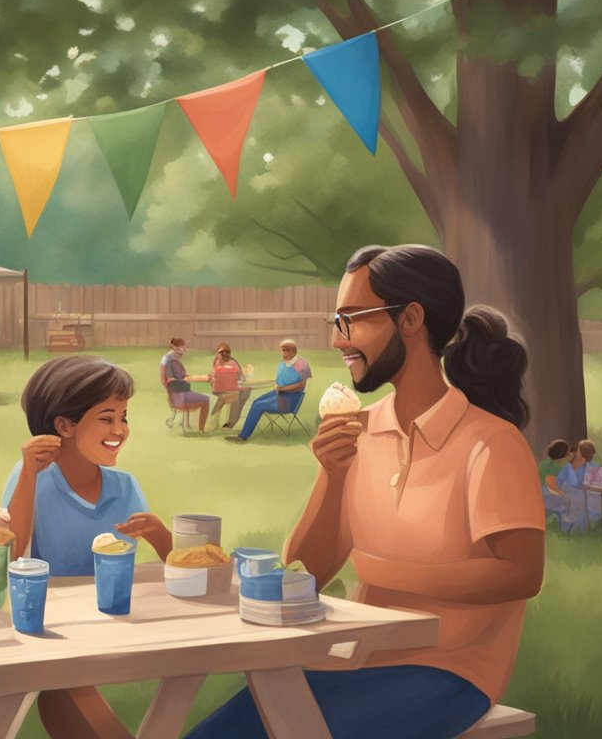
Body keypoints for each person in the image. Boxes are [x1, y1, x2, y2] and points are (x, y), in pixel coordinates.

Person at [189, 244, 543, 739]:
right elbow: (306, 572)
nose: (337, 340)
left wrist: (388, 574)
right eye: (338, 321)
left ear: (411, 319)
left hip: (448, 673)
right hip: (353, 659)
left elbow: (521, 574)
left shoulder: (490, 443)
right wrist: (332, 477)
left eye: (352, 319)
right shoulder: (360, 430)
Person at [0, 354, 172, 739]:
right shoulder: (34, 479)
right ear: (64, 425)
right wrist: (27, 474)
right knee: (63, 694)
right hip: (51, 629)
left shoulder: (125, 487)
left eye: (124, 417)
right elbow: (9, 556)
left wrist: (161, 538)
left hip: (116, 627)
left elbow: (180, 566)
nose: (120, 430)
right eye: (107, 418)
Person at [225, 338, 311, 443]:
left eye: (287, 350)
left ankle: (243, 436)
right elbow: (278, 381)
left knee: (259, 406)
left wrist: (283, 388)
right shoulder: (283, 364)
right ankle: (244, 433)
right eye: (283, 350)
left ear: (294, 351)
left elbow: (301, 385)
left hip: (290, 399)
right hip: (279, 393)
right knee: (255, 402)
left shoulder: (301, 364)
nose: (284, 353)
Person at [160, 337, 209, 431]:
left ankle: (187, 423)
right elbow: (178, 378)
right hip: (179, 393)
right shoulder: (171, 361)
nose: (182, 352)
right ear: (173, 347)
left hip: (175, 392)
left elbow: (183, 376)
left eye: (183, 350)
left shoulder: (171, 360)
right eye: (178, 350)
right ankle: (201, 430)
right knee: (206, 400)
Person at [207, 342, 251, 429]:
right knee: (237, 395)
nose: (225, 354)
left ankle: (233, 420)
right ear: (218, 353)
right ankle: (231, 422)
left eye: (227, 352)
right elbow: (215, 377)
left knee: (245, 391)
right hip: (222, 391)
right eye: (222, 352)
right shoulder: (217, 363)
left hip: (232, 388)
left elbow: (241, 377)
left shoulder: (233, 362)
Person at [538, 439, 572, 532]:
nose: (570, 454)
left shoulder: (546, 462)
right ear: (563, 454)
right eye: (568, 452)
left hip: (541, 495)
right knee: (569, 505)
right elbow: (553, 486)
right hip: (548, 495)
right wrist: (567, 496)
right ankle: (566, 532)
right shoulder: (557, 466)